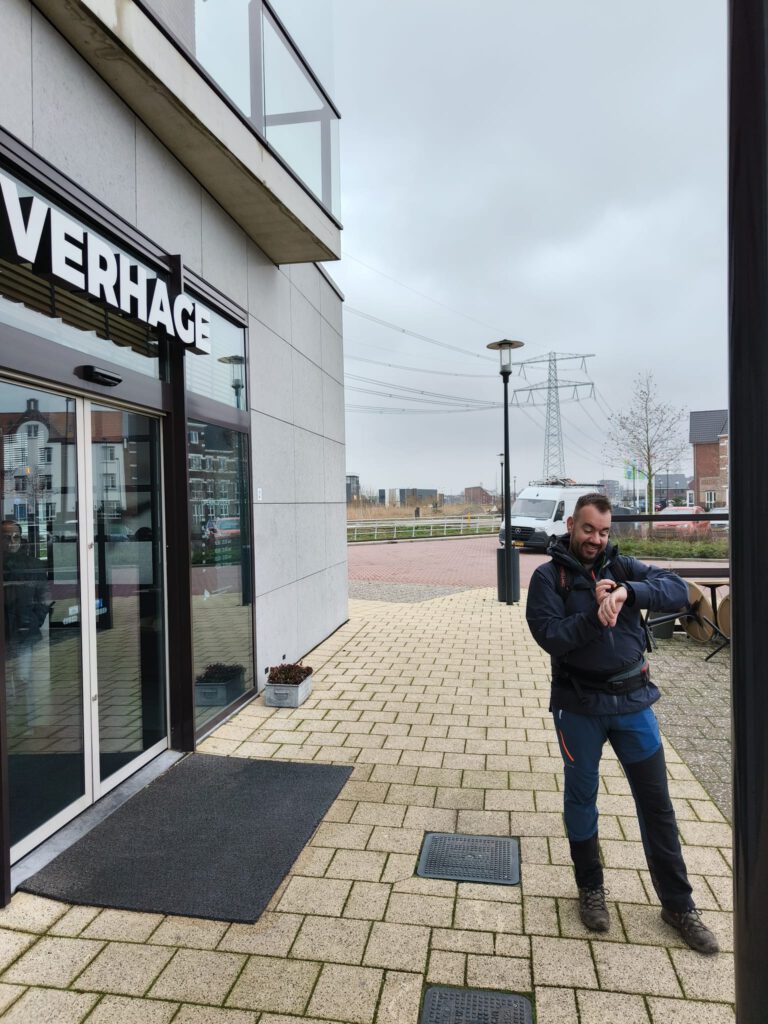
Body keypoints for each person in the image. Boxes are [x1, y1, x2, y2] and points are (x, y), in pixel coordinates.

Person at [525, 493, 719, 955]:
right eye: (588, 529)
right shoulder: (548, 577)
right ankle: (590, 889)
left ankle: (678, 905)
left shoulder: (623, 566)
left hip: (634, 704)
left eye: (604, 531)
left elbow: (678, 590)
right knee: (581, 799)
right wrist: (596, 617)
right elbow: (550, 635)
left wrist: (628, 592)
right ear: (571, 525)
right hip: (578, 707)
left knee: (657, 805)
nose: (596, 539)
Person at [2, 519, 52, 706]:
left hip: (23, 629)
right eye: (7, 537)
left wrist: (34, 620)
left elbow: (43, 596)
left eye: (16, 537)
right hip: (4, 629)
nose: (12, 542)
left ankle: (25, 717)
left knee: (22, 677)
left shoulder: (33, 565)